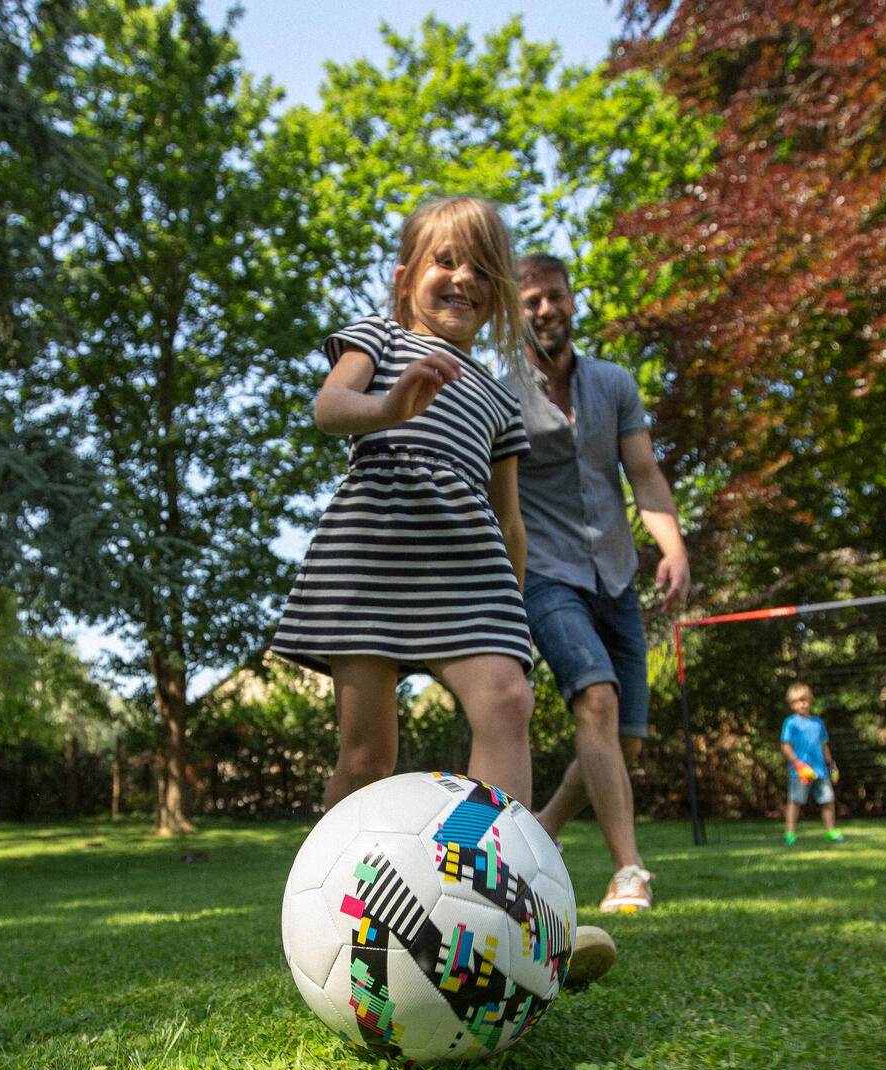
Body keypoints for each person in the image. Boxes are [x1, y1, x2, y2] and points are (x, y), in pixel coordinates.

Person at [272, 196, 536, 812]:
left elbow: (511, 520)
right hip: (370, 557)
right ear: (404, 279)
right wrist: (390, 409)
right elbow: (329, 408)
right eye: (446, 261)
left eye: (482, 269)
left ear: (496, 295)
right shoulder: (379, 337)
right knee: (367, 762)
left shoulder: (500, 401)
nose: (464, 278)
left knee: (507, 700)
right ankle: (333, 900)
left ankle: (476, 872)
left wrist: (515, 618)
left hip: (467, 567)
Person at [505, 252, 691, 914]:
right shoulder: (503, 391)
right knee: (598, 703)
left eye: (554, 297)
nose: (545, 310)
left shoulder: (613, 384)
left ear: (572, 301)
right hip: (545, 574)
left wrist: (673, 549)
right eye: (531, 302)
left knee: (625, 739)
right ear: (515, 309)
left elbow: (642, 474)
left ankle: (546, 829)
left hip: (615, 574)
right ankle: (629, 872)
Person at [780, 683, 844, 845]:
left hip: (820, 770)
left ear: (810, 700)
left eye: (803, 700)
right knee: (795, 801)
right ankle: (790, 833)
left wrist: (831, 764)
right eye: (795, 702)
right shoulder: (790, 723)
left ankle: (830, 831)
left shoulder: (818, 723)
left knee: (828, 800)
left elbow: (824, 745)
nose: (800, 705)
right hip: (800, 772)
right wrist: (798, 764)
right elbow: (786, 746)